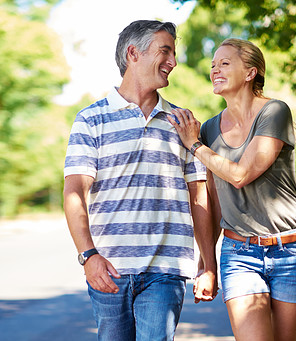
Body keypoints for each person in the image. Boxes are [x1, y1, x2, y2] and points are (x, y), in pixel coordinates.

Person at [63, 20, 217, 341]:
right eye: (165, 51)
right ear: (133, 53)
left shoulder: (183, 123)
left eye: (173, 53)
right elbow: (75, 191)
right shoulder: (91, 119)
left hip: (166, 268)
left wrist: (208, 264)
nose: (173, 62)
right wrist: (88, 256)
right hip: (109, 269)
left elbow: (199, 196)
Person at [168, 38, 296, 341]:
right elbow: (214, 200)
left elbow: (240, 175)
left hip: (292, 251)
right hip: (240, 254)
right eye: (213, 65)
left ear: (250, 73)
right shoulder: (210, 129)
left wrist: (194, 145)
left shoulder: (274, 112)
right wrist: (206, 264)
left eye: (224, 63)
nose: (215, 70)